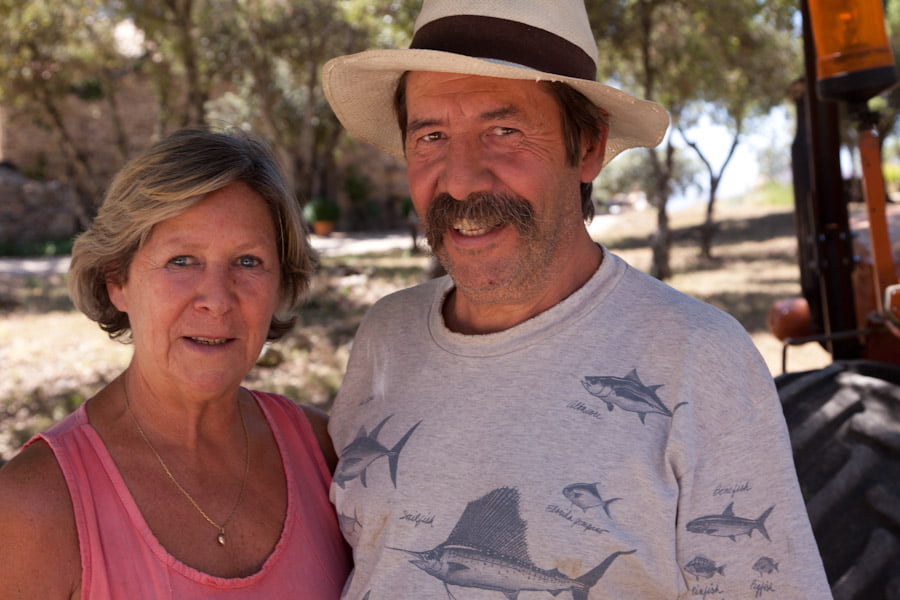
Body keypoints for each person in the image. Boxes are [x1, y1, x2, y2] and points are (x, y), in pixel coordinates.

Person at [321, 1, 832, 598]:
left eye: (503, 131)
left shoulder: (699, 357)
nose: (459, 181)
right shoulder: (387, 333)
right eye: (431, 136)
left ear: (587, 146)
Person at [0, 129, 350, 599]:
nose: (217, 300)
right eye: (182, 260)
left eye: (248, 261)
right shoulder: (34, 504)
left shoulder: (327, 454)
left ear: (280, 285)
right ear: (116, 281)